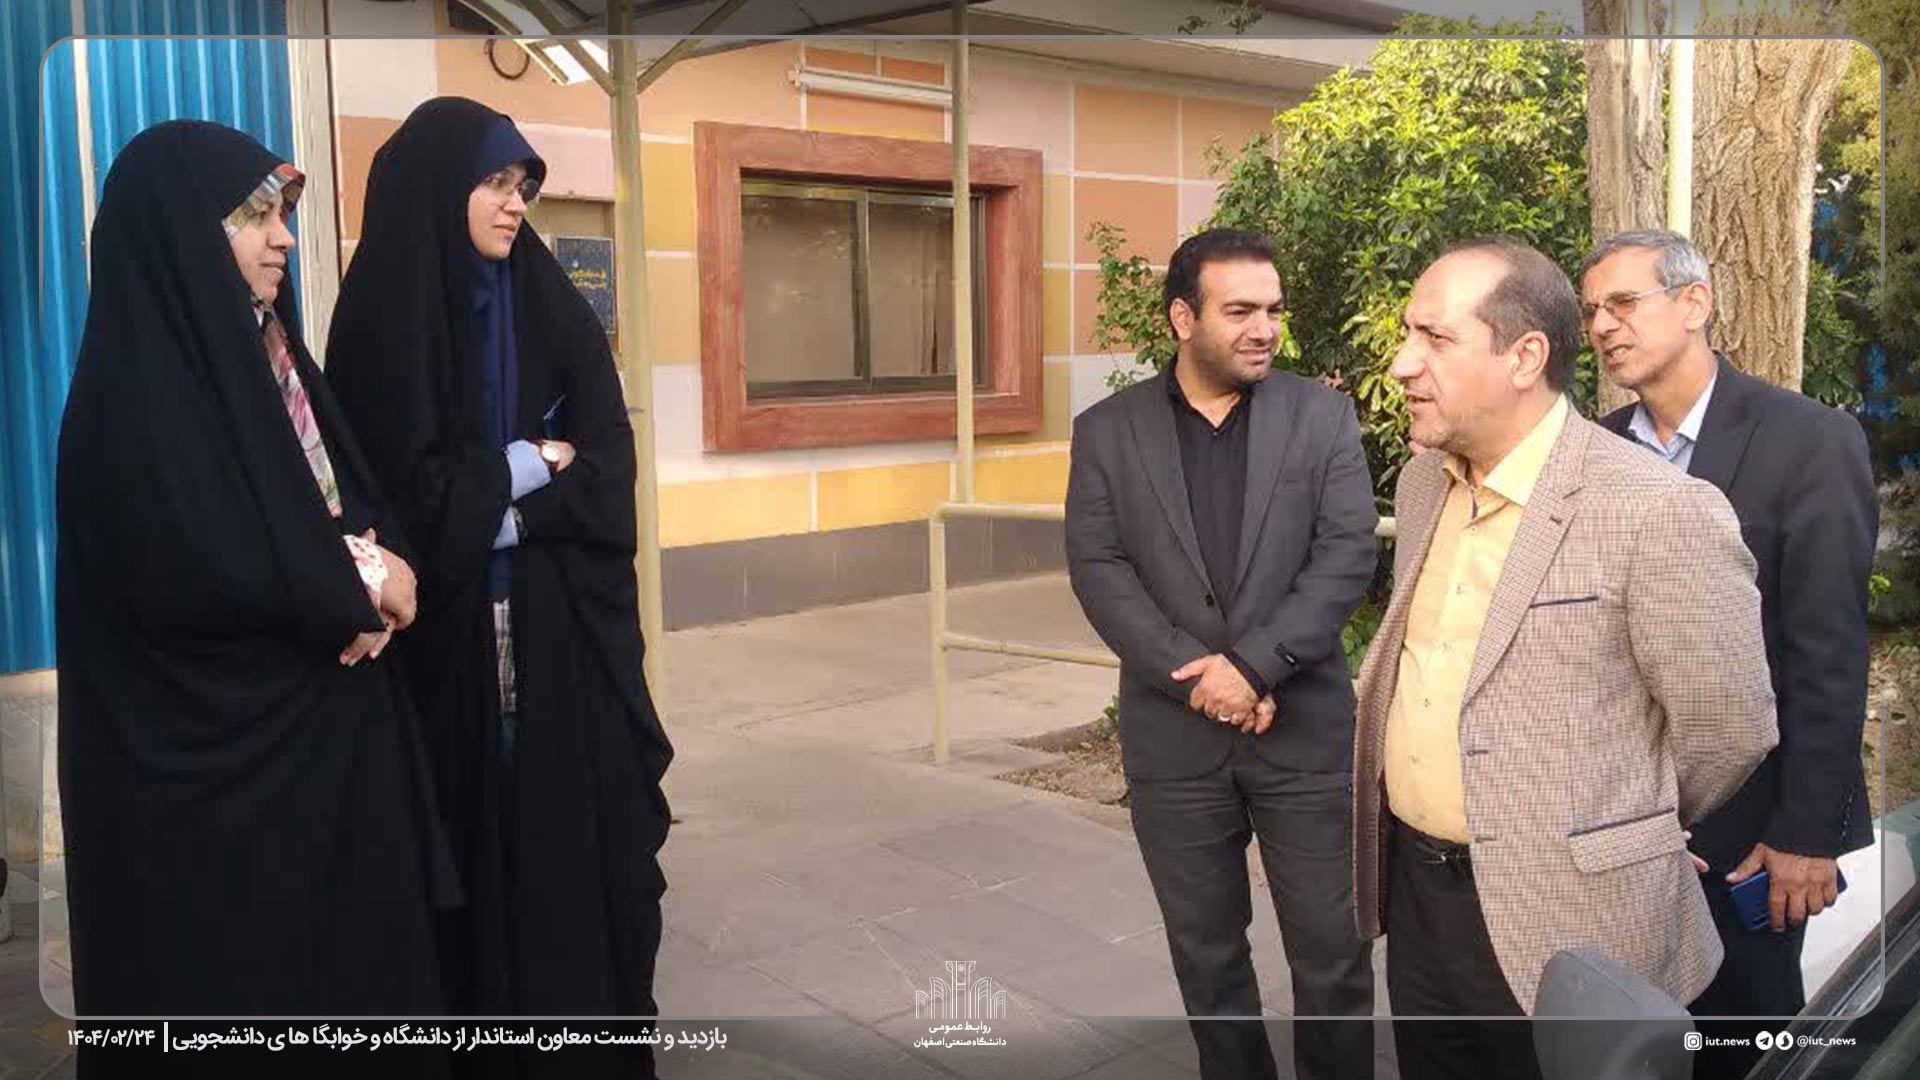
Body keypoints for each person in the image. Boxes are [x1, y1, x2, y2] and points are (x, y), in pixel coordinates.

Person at [1352, 237, 1779, 1080]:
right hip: (1421, 901)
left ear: (1524, 358)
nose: (1402, 363)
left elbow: (1730, 729)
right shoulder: (1422, 482)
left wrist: (1629, 819)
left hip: (1575, 922)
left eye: (1434, 338)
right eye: (1408, 335)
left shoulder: (1657, 511)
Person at [56, 121, 454, 1020]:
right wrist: (355, 584)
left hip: (322, 781)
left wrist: (364, 579)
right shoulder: (132, 404)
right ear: (180, 233)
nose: (283, 239)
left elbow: (341, 499)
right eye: (254, 216)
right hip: (217, 812)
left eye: (283, 214)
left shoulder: (269, 358)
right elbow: (199, 562)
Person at [324, 97, 673, 1068]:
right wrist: (524, 462)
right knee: (462, 855)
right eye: (493, 182)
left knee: (561, 848)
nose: (515, 204)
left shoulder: (549, 305)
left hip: (558, 644)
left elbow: (608, 465)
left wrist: (503, 514)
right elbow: (398, 496)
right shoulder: (381, 324)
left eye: (522, 185)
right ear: (439, 189)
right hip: (440, 664)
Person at [1066, 228, 1380, 1080]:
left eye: (1273, 310)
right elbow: (1100, 571)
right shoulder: (1107, 432)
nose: (1264, 329)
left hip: (1303, 733)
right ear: (1183, 318)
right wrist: (1202, 681)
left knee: (1333, 958)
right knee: (1208, 963)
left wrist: (1252, 668)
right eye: (1240, 311)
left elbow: (1346, 553)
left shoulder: (1320, 418)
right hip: (1175, 743)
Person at [1582, 230, 1877, 1079]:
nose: (1602, 326)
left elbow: (1827, 654)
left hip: (1756, 838)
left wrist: (1806, 835)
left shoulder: (1808, 440)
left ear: (1694, 303)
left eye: (1623, 302)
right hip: (1626, 829)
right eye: (1592, 310)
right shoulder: (1594, 452)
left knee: (1743, 1050)